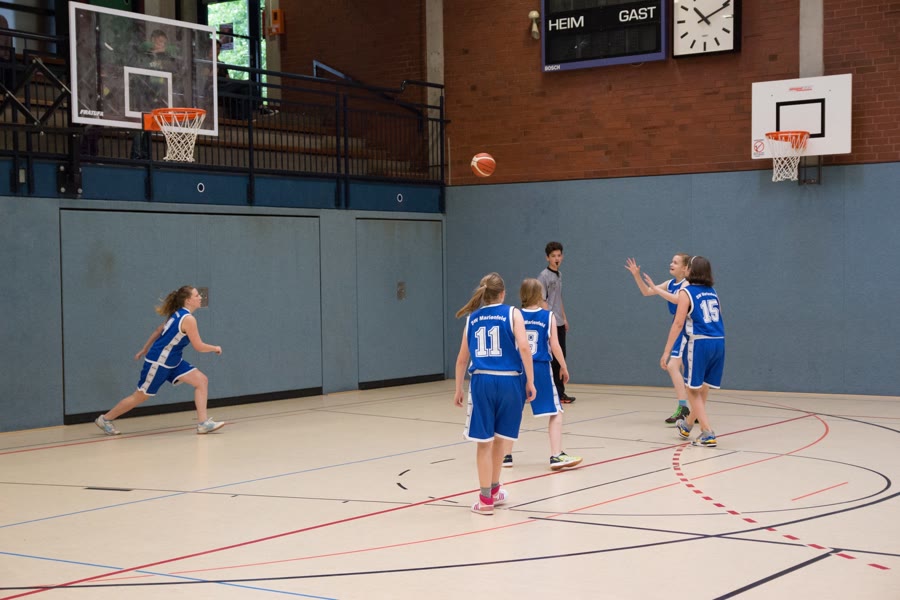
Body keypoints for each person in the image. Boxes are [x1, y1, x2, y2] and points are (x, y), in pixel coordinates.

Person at [454, 273, 536, 515]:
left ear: (484, 294)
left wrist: (458, 387)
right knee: (501, 439)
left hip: (483, 381)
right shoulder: (513, 313)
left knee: (484, 442)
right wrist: (531, 381)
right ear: (502, 293)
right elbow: (524, 348)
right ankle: (494, 489)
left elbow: (462, 359)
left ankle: (486, 498)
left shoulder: (472, 318)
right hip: (510, 380)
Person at [95, 286, 225, 436]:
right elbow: (198, 346)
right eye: (197, 295)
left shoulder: (177, 314)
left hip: (173, 361)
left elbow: (158, 330)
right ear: (188, 300)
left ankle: (203, 424)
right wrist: (215, 348)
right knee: (140, 396)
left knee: (201, 380)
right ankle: (105, 419)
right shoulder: (188, 319)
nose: (200, 297)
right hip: (158, 362)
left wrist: (145, 348)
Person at [501, 278, 583, 470]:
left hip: (517, 368)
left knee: (512, 411)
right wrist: (563, 366)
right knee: (555, 411)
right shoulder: (548, 316)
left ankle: (506, 456)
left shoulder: (514, 315)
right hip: (539, 369)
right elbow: (555, 345)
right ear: (540, 295)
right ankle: (556, 455)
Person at [661, 256, 725, 447]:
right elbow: (719, 315)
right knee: (703, 387)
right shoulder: (712, 292)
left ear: (690, 270)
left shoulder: (686, 291)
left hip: (699, 343)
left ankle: (707, 432)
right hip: (719, 341)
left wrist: (666, 351)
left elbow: (678, 323)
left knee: (691, 389)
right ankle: (688, 425)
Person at [625, 254, 692, 424]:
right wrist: (636, 275)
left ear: (685, 268)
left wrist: (656, 288)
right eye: (671, 261)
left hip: (687, 327)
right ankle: (692, 410)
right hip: (680, 326)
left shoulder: (687, 285)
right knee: (684, 369)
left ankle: (684, 408)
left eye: (675, 262)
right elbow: (647, 292)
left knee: (673, 366)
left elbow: (676, 299)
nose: (671, 264)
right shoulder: (670, 284)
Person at [538, 241, 574, 403]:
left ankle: (559, 393)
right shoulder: (543, 276)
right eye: (553, 256)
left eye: (559, 255)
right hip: (549, 322)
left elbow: (558, 298)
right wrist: (548, 320)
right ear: (547, 258)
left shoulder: (559, 275)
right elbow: (542, 300)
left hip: (559, 322)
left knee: (561, 357)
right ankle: (554, 393)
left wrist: (564, 318)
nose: (557, 258)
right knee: (552, 359)